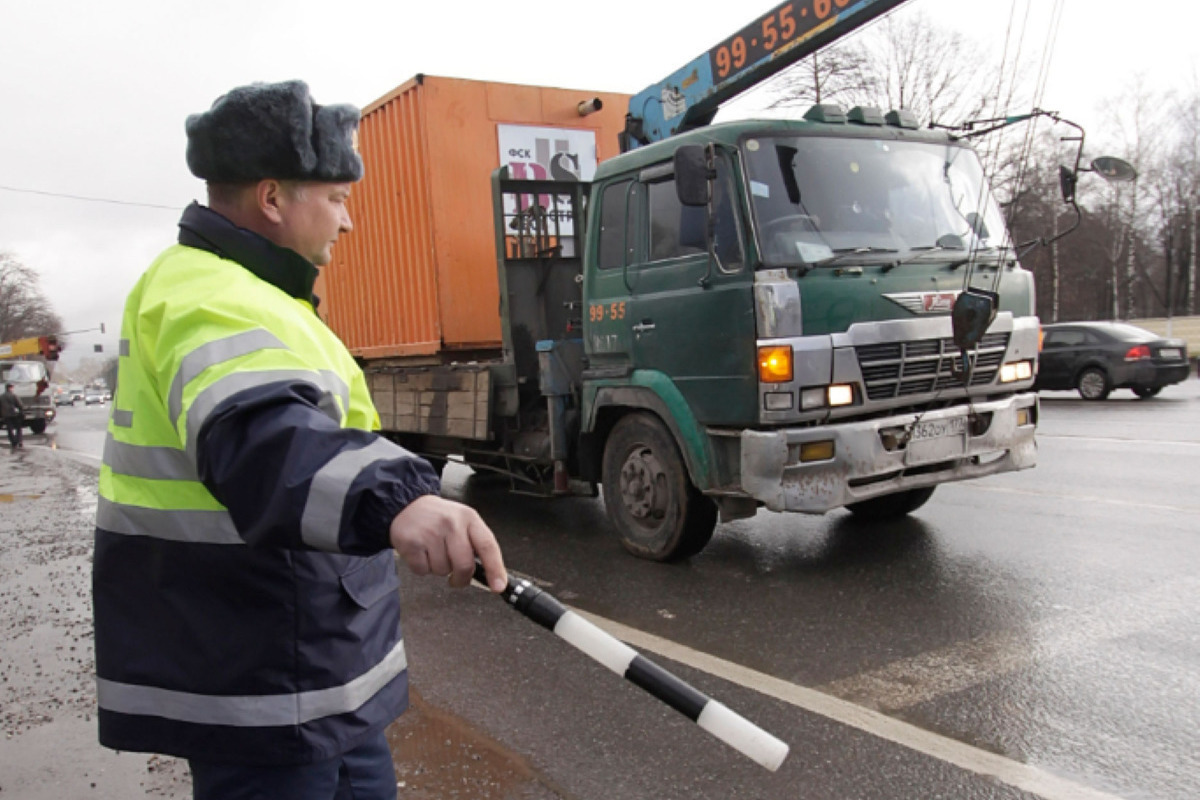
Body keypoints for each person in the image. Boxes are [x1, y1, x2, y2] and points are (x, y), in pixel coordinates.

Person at [92, 80, 508, 800]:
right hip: (263, 676)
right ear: (274, 198)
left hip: (307, 670)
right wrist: (397, 500)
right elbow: (263, 437)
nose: (348, 223)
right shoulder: (208, 293)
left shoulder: (258, 293)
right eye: (338, 198)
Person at [1, 383, 23, 449]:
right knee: (18, 428)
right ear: (10, 388)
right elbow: (20, 405)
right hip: (14, 414)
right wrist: (21, 410)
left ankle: (13, 442)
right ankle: (19, 440)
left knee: (9, 428)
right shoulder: (13, 395)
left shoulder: (1, 396)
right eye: (12, 387)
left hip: (6, 415)